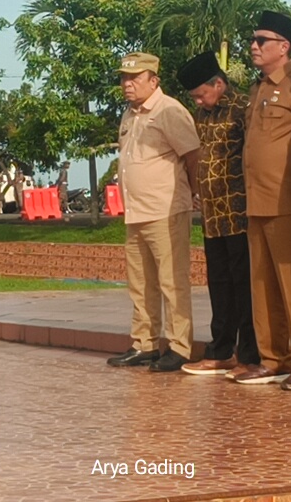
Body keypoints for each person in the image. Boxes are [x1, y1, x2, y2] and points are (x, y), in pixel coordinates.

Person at [235, 10, 291, 388]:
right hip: (256, 199)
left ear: (284, 47)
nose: (254, 47)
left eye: (262, 41)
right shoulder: (257, 89)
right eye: (253, 40)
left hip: (286, 200)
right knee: (264, 283)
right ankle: (274, 357)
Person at [106, 52, 201, 373]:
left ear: (154, 80)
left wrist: (195, 192)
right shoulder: (130, 114)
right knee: (141, 282)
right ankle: (144, 343)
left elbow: (192, 156)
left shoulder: (169, 110)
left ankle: (178, 345)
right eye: (124, 77)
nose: (127, 84)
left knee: (172, 282)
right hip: (136, 212)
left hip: (165, 209)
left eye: (134, 78)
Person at [176, 51, 260, 379]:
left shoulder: (243, 107)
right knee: (219, 284)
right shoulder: (204, 115)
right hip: (213, 215)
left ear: (219, 84)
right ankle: (221, 350)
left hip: (240, 212)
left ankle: (249, 354)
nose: (198, 101)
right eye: (194, 97)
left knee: (244, 285)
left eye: (201, 94)